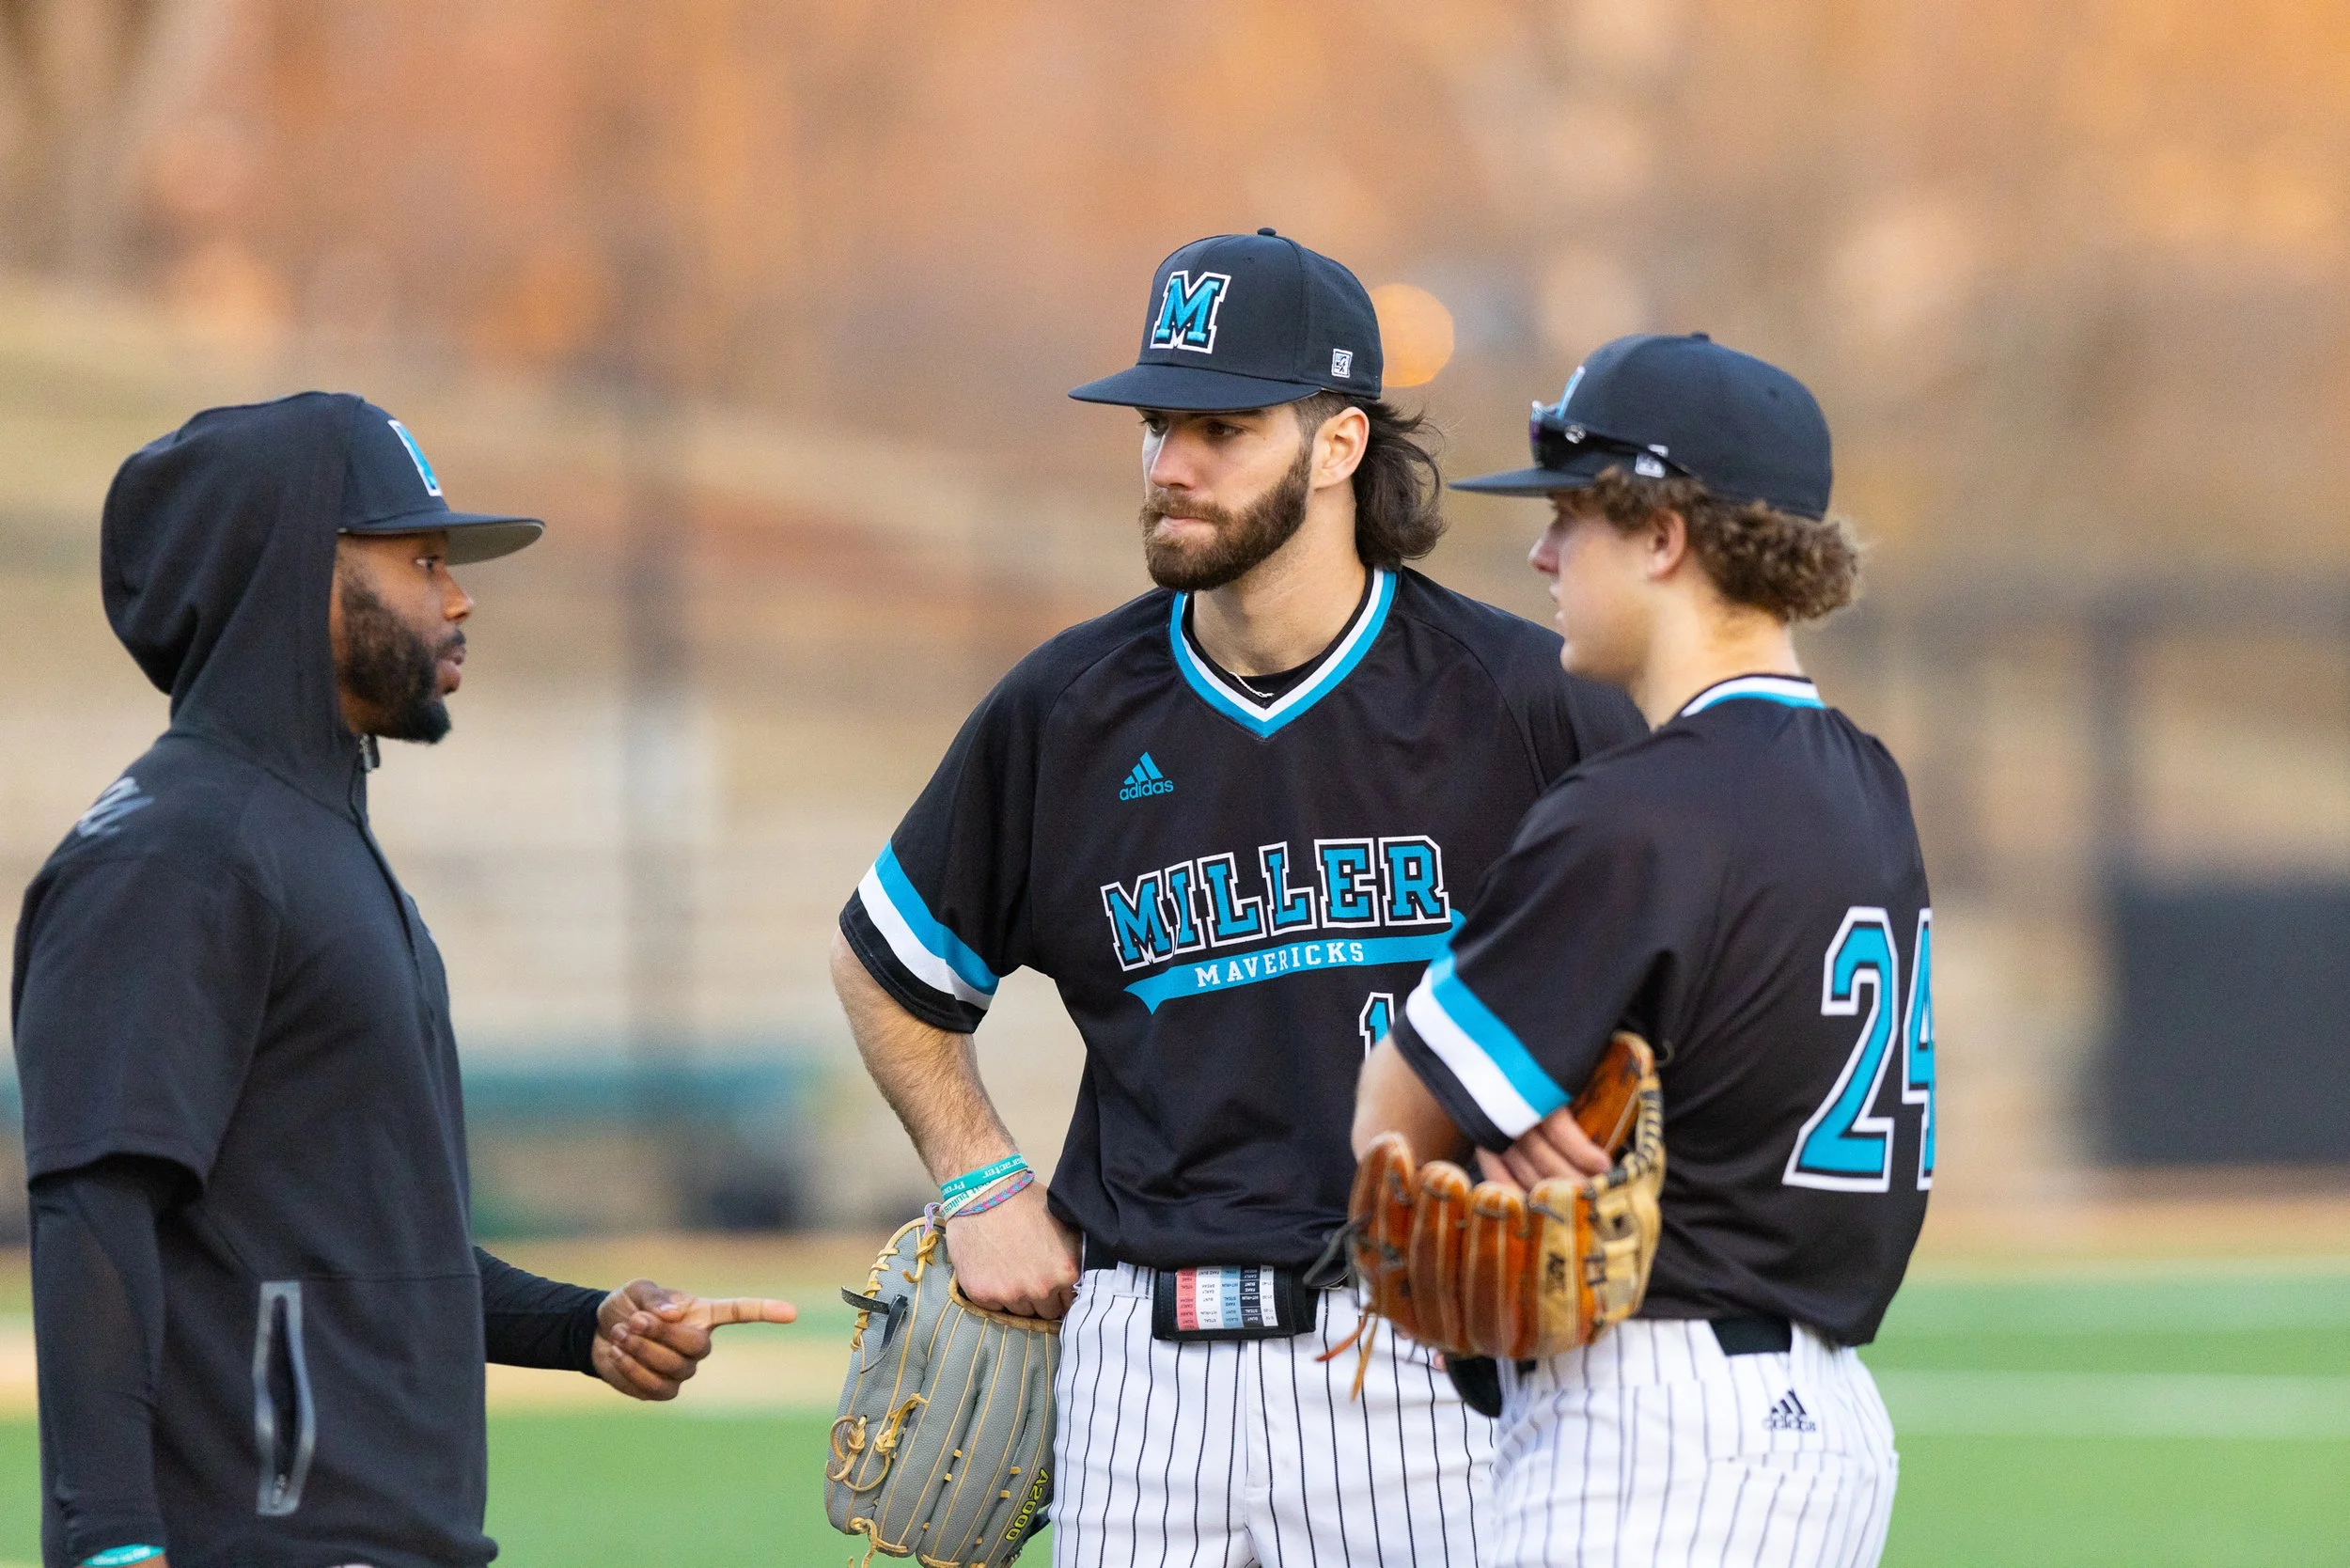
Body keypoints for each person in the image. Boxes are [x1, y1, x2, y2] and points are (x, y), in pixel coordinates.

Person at [831, 230, 1646, 1567]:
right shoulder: (1067, 712)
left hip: (1425, 1354)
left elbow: (1676, 961)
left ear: (1338, 444)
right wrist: (979, 1182)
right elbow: (887, 967)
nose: (1170, 465)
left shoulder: (1520, 700)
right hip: (1140, 1384)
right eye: (1157, 424)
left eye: (1221, 425)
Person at [10, 393, 796, 1568]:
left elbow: (366, 1246)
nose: (459, 595)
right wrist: (114, 1546)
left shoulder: (309, 840)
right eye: (421, 559)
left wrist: (581, 1328)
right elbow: (95, 1220)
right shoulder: (177, 851)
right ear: (292, 575)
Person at [1352, 332, 1930, 1566]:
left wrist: (1479, 1131)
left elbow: (1391, 1127)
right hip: (1821, 1425)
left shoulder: (1639, 805)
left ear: (1665, 534)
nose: (1544, 550)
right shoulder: (1866, 782)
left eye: (1574, 515)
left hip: (1656, 1427)